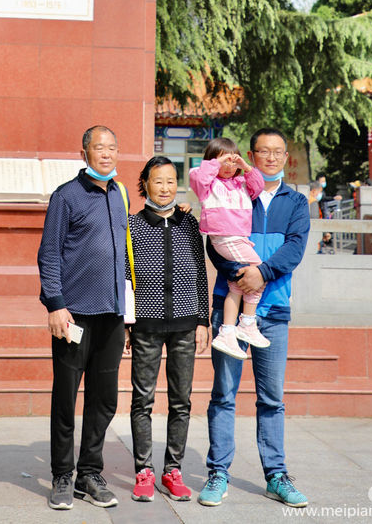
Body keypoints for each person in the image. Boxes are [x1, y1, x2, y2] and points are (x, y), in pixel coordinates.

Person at [198, 127, 310, 510]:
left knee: (271, 399)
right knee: (223, 395)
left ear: (286, 157)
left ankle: (276, 476)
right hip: (229, 309)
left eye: (278, 151)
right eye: (264, 151)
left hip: (273, 310)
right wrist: (237, 272)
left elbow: (295, 248)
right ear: (251, 155)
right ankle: (218, 473)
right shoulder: (233, 189)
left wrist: (261, 274)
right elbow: (214, 241)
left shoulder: (296, 202)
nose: (272, 157)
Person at [37, 125, 128, 510]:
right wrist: (55, 304)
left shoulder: (121, 194)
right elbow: (49, 253)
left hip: (112, 315)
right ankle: (62, 474)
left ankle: (89, 474)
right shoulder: (67, 196)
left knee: (104, 400)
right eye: (99, 148)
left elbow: (125, 254)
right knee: (66, 398)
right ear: (84, 154)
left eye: (112, 148)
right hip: (73, 316)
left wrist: (128, 314)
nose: (106, 154)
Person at [126, 155, 209, 503]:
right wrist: (126, 323)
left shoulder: (189, 224)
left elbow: (200, 272)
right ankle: (143, 471)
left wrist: (203, 319)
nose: (165, 188)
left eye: (171, 181)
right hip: (145, 325)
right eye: (158, 181)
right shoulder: (131, 225)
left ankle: (172, 470)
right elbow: (125, 276)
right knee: (142, 398)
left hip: (185, 324)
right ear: (145, 184)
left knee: (181, 401)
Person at [189, 138, 268, 359]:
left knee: (237, 284)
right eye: (223, 161)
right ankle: (247, 322)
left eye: (232, 161)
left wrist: (246, 166)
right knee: (259, 272)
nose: (228, 166)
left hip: (239, 239)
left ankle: (228, 331)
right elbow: (198, 177)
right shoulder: (208, 185)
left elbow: (258, 186)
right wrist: (217, 163)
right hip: (225, 239)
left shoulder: (241, 183)